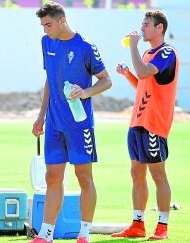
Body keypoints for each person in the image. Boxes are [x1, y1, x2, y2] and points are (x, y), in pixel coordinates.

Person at [31, 2, 112, 243]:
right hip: (54, 124)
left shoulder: (85, 47)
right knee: (52, 177)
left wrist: (85, 92)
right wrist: (40, 115)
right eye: (43, 25)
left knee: (84, 177)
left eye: (48, 24)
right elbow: (49, 79)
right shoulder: (46, 43)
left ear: (62, 20)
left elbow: (106, 80)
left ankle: (84, 233)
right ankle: (46, 234)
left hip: (79, 125)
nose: (45, 30)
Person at [111, 10, 178, 241]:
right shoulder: (149, 54)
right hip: (138, 122)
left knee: (158, 174)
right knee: (136, 173)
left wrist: (132, 46)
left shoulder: (166, 53)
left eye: (147, 24)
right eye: (142, 24)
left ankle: (162, 227)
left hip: (154, 124)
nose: (142, 28)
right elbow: (142, 84)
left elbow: (144, 72)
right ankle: (137, 224)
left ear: (159, 28)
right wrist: (128, 74)